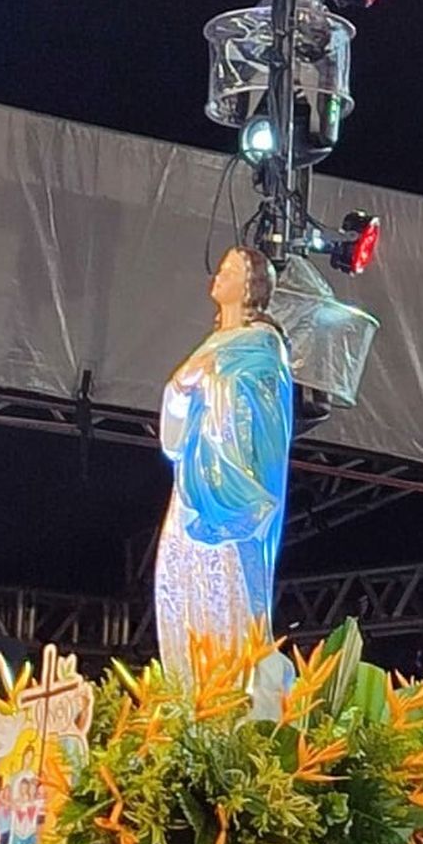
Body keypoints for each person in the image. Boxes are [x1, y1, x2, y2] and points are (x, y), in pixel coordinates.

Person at [154, 246, 295, 682]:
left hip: (232, 486)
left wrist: (213, 384)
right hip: (193, 483)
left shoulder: (263, 342)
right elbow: (176, 411)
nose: (218, 275)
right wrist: (181, 387)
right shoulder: (212, 343)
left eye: (229, 270)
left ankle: (231, 682)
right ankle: (187, 682)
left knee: (230, 583)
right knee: (179, 576)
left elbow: (266, 411)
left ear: (250, 285)